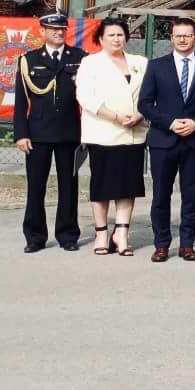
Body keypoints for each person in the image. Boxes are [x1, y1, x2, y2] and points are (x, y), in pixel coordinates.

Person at [139, 17, 195, 262]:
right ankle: (162, 244)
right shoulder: (156, 66)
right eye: (178, 35)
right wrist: (170, 123)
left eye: (187, 35)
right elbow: (145, 104)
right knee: (161, 195)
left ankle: (187, 244)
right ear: (171, 38)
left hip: (194, 141)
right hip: (163, 140)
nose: (182, 39)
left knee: (191, 195)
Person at [75, 18, 147, 255]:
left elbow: (149, 94)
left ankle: (122, 234)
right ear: (101, 39)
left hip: (134, 132)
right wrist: (115, 116)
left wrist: (140, 114)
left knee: (128, 186)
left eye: (120, 34)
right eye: (111, 35)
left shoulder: (140, 62)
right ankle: (101, 234)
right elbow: (85, 96)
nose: (116, 39)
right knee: (103, 186)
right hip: (103, 133)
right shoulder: (90, 63)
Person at [13, 12, 83, 253]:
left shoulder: (80, 58)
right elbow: (21, 101)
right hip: (38, 134)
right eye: (53, 29)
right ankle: (35, 236)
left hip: (70, 134)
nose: (58, 32)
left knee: (69, 187)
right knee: (36, 187)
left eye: (62, 29)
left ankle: (67, 235)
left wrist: (86, 134)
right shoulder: (29, 60)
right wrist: (21, 134)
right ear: (42, 31)